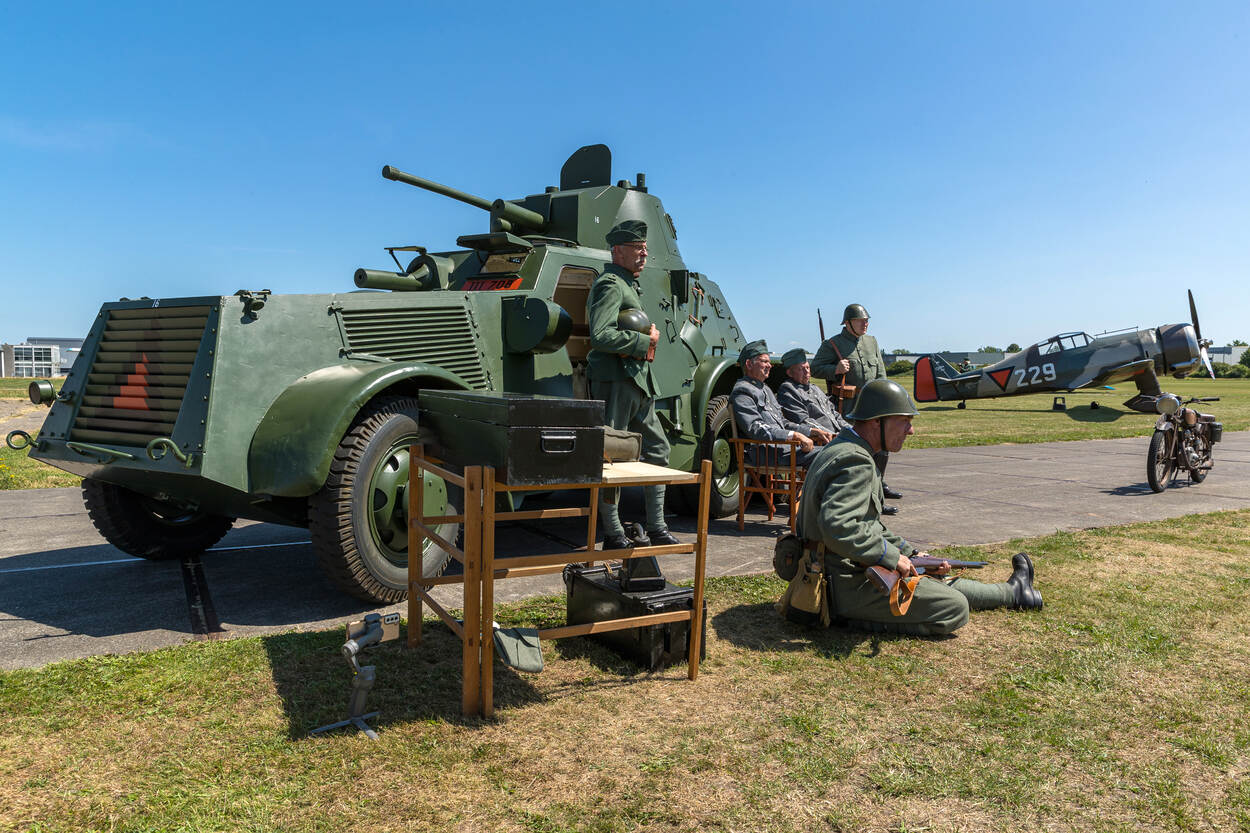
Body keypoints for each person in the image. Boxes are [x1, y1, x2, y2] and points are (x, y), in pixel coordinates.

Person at [796, 378, 1042, 636]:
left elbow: (867, 525)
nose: (910, 430)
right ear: (877, 421)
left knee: (930, 579)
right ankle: (844, 619)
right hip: (842, 585)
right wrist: (891, 558)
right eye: (905, 421)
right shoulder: (856, 460)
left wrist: (911, 554)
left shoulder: (844, 449)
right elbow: (838, 526)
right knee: (953, 607)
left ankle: (1013, 593)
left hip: (836, 574)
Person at [586, 219, 679, 551]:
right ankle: (613, 533)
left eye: (645, 247)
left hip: (637, 382)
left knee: (659, 449)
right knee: (611, 455)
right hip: (615, 380)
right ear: (617, 251)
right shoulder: (610, 285)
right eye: (637, 247)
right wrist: (646, 341)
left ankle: (657, 526)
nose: (644, 253)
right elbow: (600, 335)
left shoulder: (627, 285)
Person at [811, 303, 901, 514]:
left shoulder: (872, 341)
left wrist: (884, 398)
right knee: (857, 451)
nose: (865, 324)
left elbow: (880, 372)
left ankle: (879, 485)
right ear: (848, 323)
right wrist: (835, 369)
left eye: (866, 320)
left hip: (873, 405)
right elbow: (815, 368)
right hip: (849, 408)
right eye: (861, 321)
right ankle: (864, 495)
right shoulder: (832, 344)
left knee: (882, 446)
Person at [730, 340, 829, 469]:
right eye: (764, 361)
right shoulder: (742, 391)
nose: (769, 365)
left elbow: (783, 422)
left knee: (834, 451)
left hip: (783, 449)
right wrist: (793, 436)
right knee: (830, 454)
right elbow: (756, 428)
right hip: (767, 453)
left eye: (769, 362)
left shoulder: (765, 388)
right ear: (749, 364)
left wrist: (810, 431)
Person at [777, 347, 850, 437]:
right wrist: (833, 435)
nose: (807, 372)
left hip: (836, 435)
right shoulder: (788, 390)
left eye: (808, 367)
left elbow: (834, 414)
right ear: (790, 373)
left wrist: (851, 430)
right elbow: (804, 421)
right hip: (820, 439)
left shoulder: (815, 388)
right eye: (801, 369)